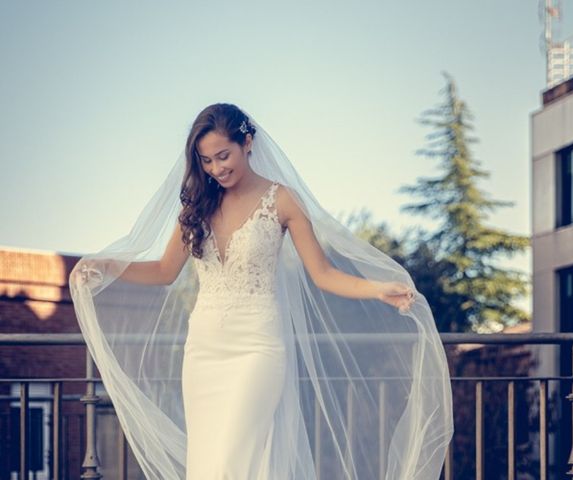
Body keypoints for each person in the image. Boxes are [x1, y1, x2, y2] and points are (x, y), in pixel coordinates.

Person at [69, 103, 454, 479]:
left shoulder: (282, 200)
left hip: (257, 348)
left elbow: (323, 274)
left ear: (247, 142)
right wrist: (107, 266)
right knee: (207, 467)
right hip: (202, 351)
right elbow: (165, 271)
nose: (217, 168)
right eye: (206, 161)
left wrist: (377, 289)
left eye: (223, 155)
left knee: (230, 463)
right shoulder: (198, 205)